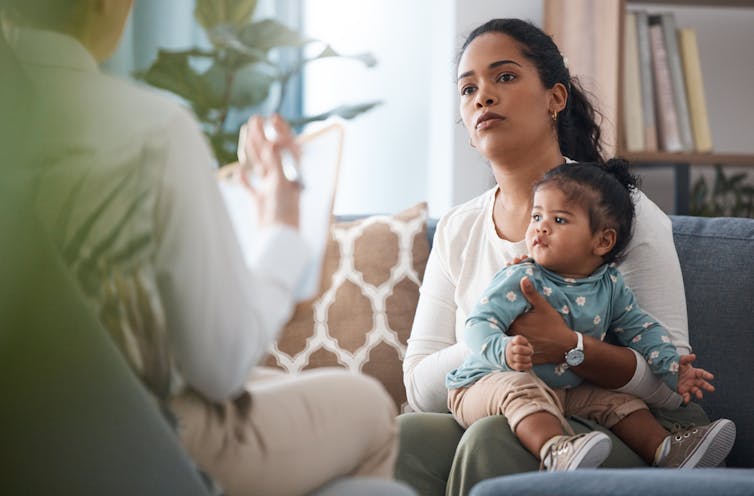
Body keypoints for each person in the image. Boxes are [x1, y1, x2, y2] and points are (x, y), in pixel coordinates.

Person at [1, 1, 401, 495]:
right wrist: (279, 226)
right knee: (369, 405)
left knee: (272, 379)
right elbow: (219, 367)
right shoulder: (150, 129)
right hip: (131, 437)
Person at [397, 18, 717, 495]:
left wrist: (569, 344)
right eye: (468, 89)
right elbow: (421, 388)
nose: (482, 96)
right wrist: (500, 336)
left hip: (633, 426)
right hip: (507, 403)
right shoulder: (458, 228)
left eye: (504, 77)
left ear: (555, 98)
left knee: (493, 440)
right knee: (401, 438)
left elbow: (668, 385)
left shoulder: (617, 212)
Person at [446, 159, 736, 471]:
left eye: (559, 220)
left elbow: (641, 329)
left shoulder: (609, 285)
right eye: (537, 216)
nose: (541, 226)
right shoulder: (521, 277)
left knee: (619, 401)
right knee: (520, 389)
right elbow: (477, 324)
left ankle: (667, 450)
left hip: (562, 390)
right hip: (481, 385)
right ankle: (555, 450)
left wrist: (671, 367)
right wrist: (502, 350)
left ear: (602, 241)